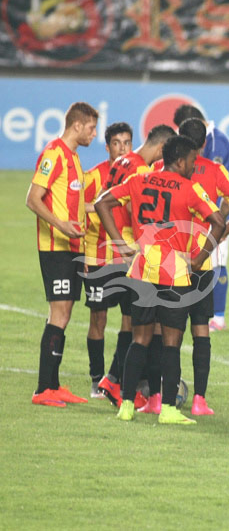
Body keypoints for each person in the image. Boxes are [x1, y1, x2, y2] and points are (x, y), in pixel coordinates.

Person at [95, 135, 225, 425]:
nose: (194, 166)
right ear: (180, 160)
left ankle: (126, 405)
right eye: (192, 161)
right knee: (171, 342)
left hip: (142, 266)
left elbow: (102, 202)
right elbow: (219, 221)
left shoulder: (141, 180)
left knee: (139, 338)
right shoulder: (190, 188)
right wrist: (199, 256)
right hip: (174, 270)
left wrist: (119, 242)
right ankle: (168, 409)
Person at [141, 118, 229, 417]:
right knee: (201, 332)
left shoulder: (162, 170)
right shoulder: (215, 171)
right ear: (205, 144)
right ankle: (199, 400)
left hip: (166, 262)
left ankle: (156, 397)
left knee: (160, 331)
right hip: (202, 262)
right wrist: (220, 234)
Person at [94, 125, 177, 408]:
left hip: (113, 253)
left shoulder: (122, 161)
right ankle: (117, 381)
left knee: (130, 322)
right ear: (162, 147)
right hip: (131, 255)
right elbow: (138, 213)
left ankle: (119, 382)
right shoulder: (142, 172)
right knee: (145, 326)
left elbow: (101, 200)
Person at [26, 101, 98, 407]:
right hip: (55, 248)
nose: (94, 134)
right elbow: (32, 199)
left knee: (65, 314)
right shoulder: (54, 153)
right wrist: (60, 226)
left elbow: (75, 206)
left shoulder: (74, 158)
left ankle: (53, 385)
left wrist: (109, 206)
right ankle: (44, 389)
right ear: (77, 125)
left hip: (72, 248)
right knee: (59, 314)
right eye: (92, 128)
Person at [81, 121, 133, 398]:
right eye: (117, 143)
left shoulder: (138, 175)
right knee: (98, 319)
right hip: (99, 257)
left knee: (131, 320)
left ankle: (116, 377)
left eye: (127, 143)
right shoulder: (94, 176)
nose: (122, 148)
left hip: (128, 259)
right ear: (107, 147)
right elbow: (77, 208)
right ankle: (96, 377)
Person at [173, 104, 229, 332]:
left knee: (216, 261)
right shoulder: (208, 140)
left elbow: (215, 181)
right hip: (195, 214)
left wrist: (218, 218)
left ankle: (218, 316)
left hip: (212, 215)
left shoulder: (217, 142)